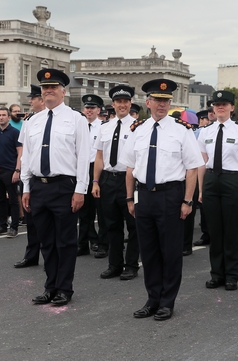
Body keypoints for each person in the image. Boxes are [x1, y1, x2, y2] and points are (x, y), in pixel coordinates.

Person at [120, 79, 203, 321]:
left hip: (171, 196)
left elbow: (192, 169)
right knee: (149, 252)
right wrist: (129, 199)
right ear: (147, 102)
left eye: (166, 101)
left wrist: (188, 201)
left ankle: (167, 302)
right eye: (157, 100)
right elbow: (129, 168)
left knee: (170, 252)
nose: (162, 105)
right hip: (144, 195)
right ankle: (152, 298)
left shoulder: (182, 130)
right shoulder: (138, 130)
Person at [20, 69, 90, 306]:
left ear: (63, 91)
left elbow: (83, 157)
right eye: (44, 88)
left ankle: (64, 288)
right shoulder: (33, 121)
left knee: (66, 241)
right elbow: (27, 156)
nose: (48, 91)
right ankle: (50, 286)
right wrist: (26, 187)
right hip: (39, 187)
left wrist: (80, 190)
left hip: (64, 187)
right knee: (46, 241)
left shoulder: (76, 119)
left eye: (53, 87)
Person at [197, 90, 238, 291]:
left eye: (225, 104)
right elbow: (202, 163)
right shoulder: (205, 131)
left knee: (230, 230)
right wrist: (201, 190)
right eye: (217, 104)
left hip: (232, 179)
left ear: (232, 107)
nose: (220, 107)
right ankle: (216, 274)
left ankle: (231, 275)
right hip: (211, 180)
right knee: (214, 230)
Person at [91, 85, 140, 279]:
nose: (122, 105)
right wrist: (95, 181)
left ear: (130, 104)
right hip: (108, 180)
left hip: (128, 180)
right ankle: (115, 264)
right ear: (113, 104)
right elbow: (99, 157)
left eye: (126, 102)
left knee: (133, 225)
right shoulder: (105, 127)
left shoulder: (138, 127)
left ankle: (131, 265)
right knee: (111, 225)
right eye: (119, 102)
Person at [14, 84, 45, 269]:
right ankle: (31, 255)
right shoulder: (29, 121)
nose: (30, 101)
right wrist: (19, 171)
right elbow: (23, 151)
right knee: (31, 219)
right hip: (31, 176)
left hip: (50, 178)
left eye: (33, 98)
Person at [0, 107, 22, 238]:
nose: (1, 117)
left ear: (8, 117)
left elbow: (20, 152)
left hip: (10, 170)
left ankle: (14, 227)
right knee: (0, 199)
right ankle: (1, 226)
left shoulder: (15, 133)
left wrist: (17, 170)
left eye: (4, 115)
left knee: (13, 199)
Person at [78, 94, 105, 257]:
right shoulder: (79, 126)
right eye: (87, 108)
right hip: (82, 168)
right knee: (83, 209)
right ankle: (83, 243)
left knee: (100, 209)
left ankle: (101, 242)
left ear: (98, 110)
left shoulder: (103, 127)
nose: (89, 111)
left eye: (92, 108)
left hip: (98, 169)